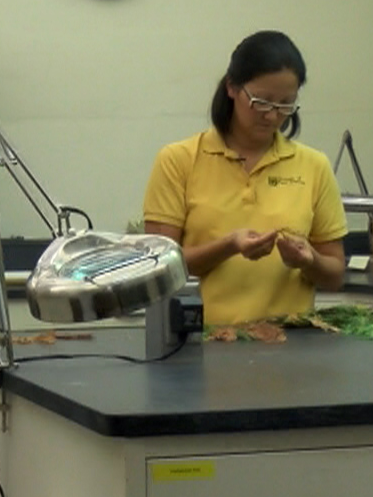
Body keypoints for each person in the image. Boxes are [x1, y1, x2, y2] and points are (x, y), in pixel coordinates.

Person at [141, 31, 347, 326]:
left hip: (291, 346)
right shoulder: (179, 160)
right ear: (231, 88)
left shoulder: (314, 166)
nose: (272, 116)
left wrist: (309, 261)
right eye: (261, 101)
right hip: (201, 347)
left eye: (285, 104)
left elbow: (335, 274)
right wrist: (228, 246)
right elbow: (157, 269)